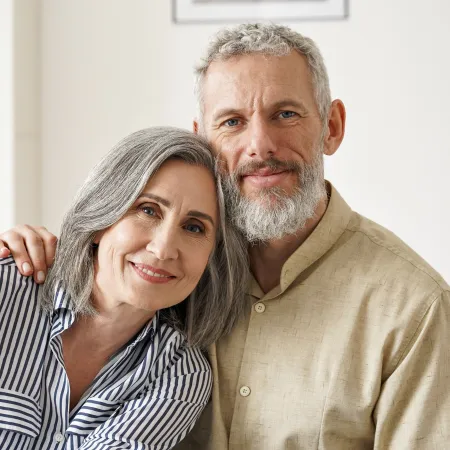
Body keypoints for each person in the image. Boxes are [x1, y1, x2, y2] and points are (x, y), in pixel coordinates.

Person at [2, 23, 450, 449]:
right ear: (205, 145)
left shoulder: (414, 308)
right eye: (232, 122)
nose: (260, 145)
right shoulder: (164, 276)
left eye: (286, 114)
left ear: (331, 127)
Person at [0, 126, 248, 449]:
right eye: (148, 210)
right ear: (102, 219)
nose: (163, 249)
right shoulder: (8, 289)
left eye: (193, 227)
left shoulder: (179, 375)